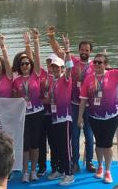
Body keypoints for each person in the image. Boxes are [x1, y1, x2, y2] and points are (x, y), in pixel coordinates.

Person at [78, 50, 118, 184]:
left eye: (100, 62)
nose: (96, 64)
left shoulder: (113, 74)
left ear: (105, 64)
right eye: (95, 62)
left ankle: (108, 171)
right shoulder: (88, 79)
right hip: (94, 116)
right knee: (98, 142)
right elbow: (83, 100)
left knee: (107, 144)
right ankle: (100, 167)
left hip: (111, 116)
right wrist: (79, 117)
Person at [48, 26, 96, 173]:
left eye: (87, 50)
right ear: (79, 50)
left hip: (90, 106)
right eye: (82, 49)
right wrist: (51, 37)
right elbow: (58, 52)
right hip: (74, 105)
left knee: (89, 135)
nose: (84, 52)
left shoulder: (96, 65)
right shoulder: (73, 61)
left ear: (90, 52)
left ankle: (89, 162)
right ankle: (75, 162)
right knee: (75, 135)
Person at [12, 30, 44, 183]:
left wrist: (34, 41)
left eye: (27, 63)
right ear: (20, 66)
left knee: (35, 144)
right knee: (25, 144)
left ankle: (33, 171)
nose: (25, 65)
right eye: (22, 64)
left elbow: (36, 58)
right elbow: (13, 98)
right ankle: (24, 171)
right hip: (23, 114)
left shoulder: (36, 74)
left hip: (37, 112)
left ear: (30, 65)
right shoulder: (16, 81)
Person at [44, 34, 74, 186]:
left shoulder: (65, 79)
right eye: (53, 66)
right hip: (55, 118)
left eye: (57, 67)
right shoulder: (53, 81)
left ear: (62, 68)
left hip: (65, 118)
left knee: (65, 146)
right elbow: (50, 100)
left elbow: (70, 68)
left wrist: (67, 50)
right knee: (57, 146)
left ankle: (69, 174)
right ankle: (61, 170)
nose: (55, 69)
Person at [37, 53, 59, 177]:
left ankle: (55, 166)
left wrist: (49, 100)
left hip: (52, 114)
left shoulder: (58, 77)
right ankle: (42, 166)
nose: (50, 64)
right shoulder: (41, 75)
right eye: (48, 61)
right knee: (41, 142)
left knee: (53, 142)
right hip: (41, 113)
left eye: (53, 62)